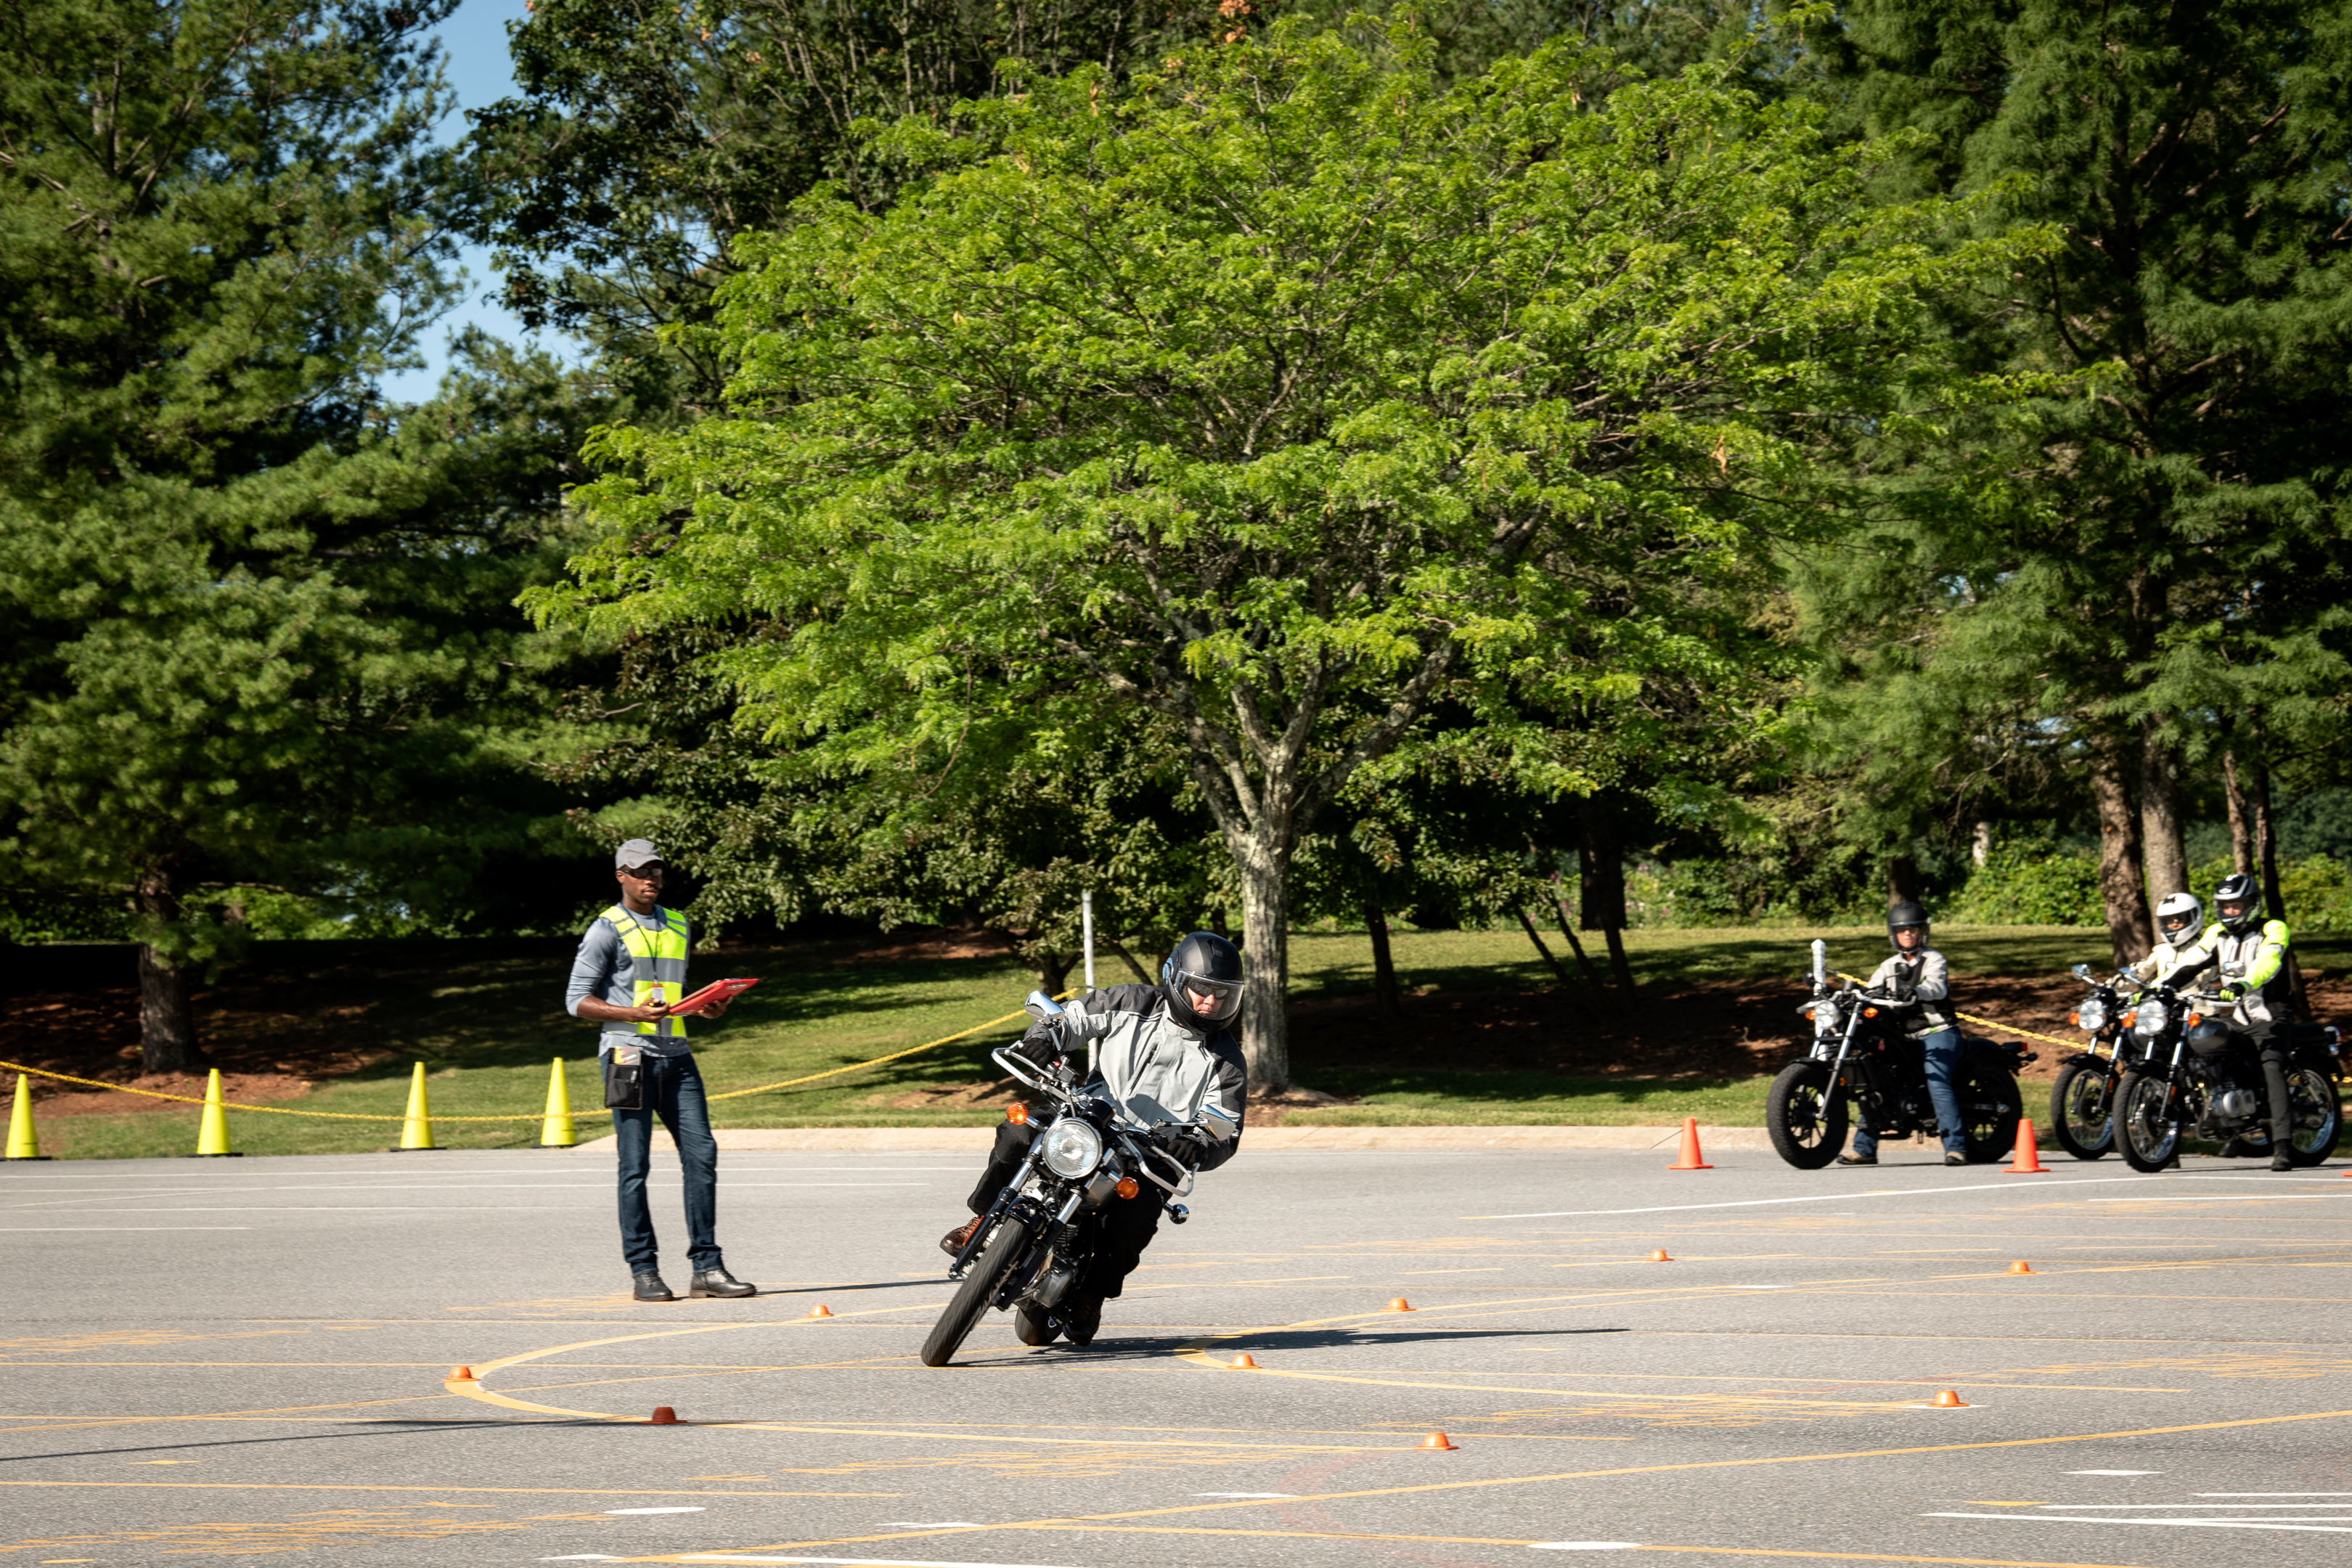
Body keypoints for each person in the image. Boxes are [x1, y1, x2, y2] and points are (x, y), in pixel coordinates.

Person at [937, 931, 1249, 1345]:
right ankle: (982, 1216)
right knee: (1018, 1128)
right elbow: (1070, 1020)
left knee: (1137, 1218)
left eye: (1222, 995)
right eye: (1202, 990)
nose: (1211, 1002)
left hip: (1149, 1148)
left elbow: (1225, 1126)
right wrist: (1042, 1040)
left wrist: (1200, 1143)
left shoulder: (1227, 1061)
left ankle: (1091, 1293)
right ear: (1176, 980)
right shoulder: (1132, 1002)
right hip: (1088, 1113)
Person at [565, 838, 754, 1302]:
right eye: (639, 871)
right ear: (621, 876)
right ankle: (644, 1270)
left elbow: (673, 993)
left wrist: (705, 1007)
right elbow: (576, 1001)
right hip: (626, 1056)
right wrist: (633, 1016)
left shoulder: (678, 923)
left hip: (677, 1055)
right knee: (635, 1166)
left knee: (702, 1156)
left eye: (656, 871)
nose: (650, 879)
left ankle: (707, 1268)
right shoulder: (605, 929)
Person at [1839, 901, 1967, 1167]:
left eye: (1912, 929)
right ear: (1893, 934)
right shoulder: (1889, 966)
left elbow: (1937, 987)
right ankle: (1864, 1148)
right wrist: (1850, 999)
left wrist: (1917, 992)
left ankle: (1955, 1148)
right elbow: (1870, 990)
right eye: (1902, 930)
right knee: (1874, 1078)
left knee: (1936, 1081)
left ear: (1922, 932)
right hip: (1904, 1038)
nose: (1907, 934)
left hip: (1938, 1033)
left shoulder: (1934, 959)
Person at [2204, 872, 2298, 1171]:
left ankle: (2283, 1145)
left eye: (2237, 905)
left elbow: (2268, 961)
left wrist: (2244, 983)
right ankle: (2232, 1125)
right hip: (2233, 1016)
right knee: (2207, 1051)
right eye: (2225, 906)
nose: (2230, 911)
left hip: (2269, 1013)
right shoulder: (2216, 933)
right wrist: (2158, 986)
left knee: (2271, 1066)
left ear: (2252, 904)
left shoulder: (2273, 928)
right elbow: (2190, 960)